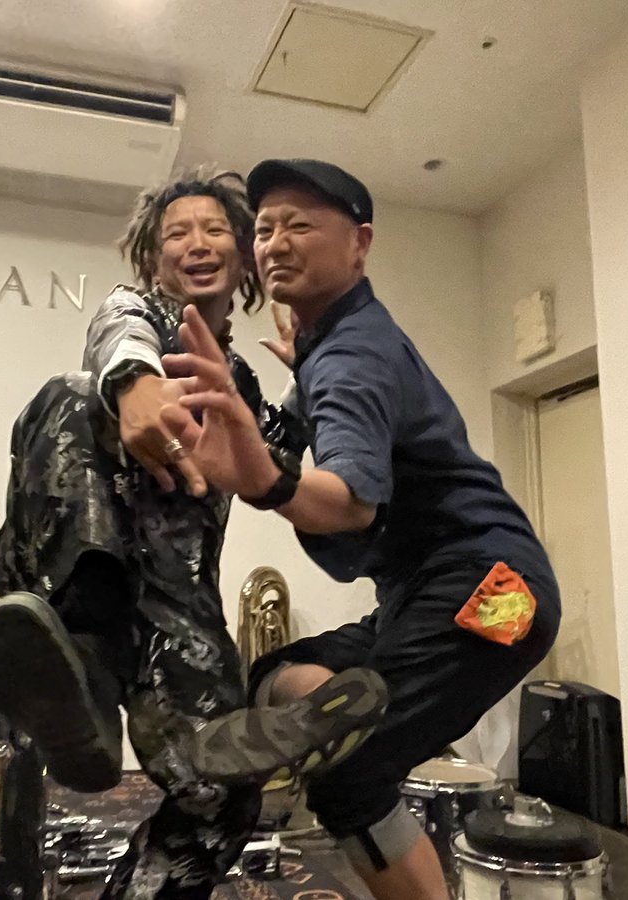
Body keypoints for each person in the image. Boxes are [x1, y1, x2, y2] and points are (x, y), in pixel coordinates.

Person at [0, 166, 387, 900]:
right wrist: (135, 386)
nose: (196, 243)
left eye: (214, 229)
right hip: (81, 572)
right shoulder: (136, 312)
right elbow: (119, 340)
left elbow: (275, 466)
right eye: (177, 233)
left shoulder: (240, 381)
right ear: (153, 256)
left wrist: (310, 375)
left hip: (177, 602)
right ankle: (85, 652)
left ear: (242, 254)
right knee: (70, 395)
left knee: (221, 800)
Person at [159, 159, 562, 900]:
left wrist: (266, 480)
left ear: (360, 244)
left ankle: (353, 740)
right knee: (271, 674)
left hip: (492, 591)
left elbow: (349, 502)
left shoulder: (351, 355)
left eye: (300, 225)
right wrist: (298, 381)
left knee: (353, 777)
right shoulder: (334, 345)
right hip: (425, 593)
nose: (275, 243)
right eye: (265, 229)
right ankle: (347, 722)